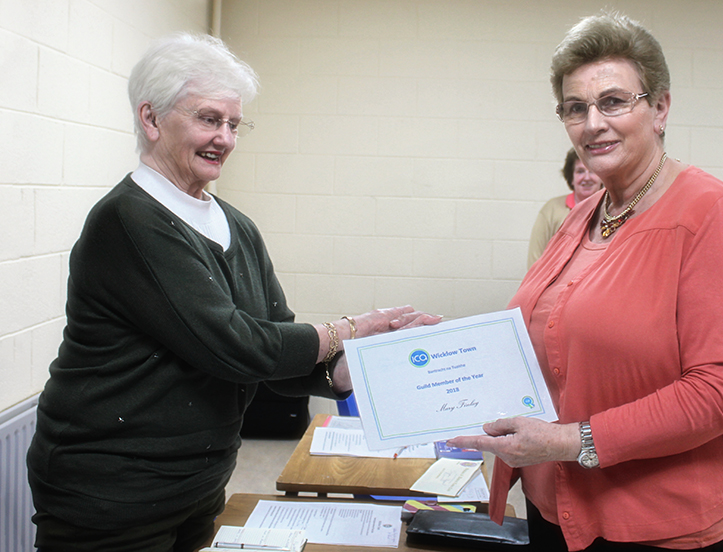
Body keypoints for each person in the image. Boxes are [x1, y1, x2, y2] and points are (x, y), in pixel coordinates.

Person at [26, 33, 440, 552]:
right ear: (151, 119)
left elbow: (275, 343)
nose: (224, 137)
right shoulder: (128, 221)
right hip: (112, 493)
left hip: (194, 485)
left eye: (233, 124)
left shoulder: (235, 226)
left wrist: (352, 365)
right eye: (208, 119)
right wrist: (352, 328)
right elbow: (238, 345)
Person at [448, 11, 723, 552]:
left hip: (654, 524)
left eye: (613, 101)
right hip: (557, 507)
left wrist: (570, 441)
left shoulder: (710, 212)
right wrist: (445, 349)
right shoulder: (585, 213)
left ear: (660, 107)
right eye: (575, 108)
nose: (592, 123)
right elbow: (542, 336)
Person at [527, 148, 603, 267]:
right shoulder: (551, 210)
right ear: (571, 177)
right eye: (580, 171)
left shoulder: (614, 210)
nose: (587, 177)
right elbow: (535, 259)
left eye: (592, 171)